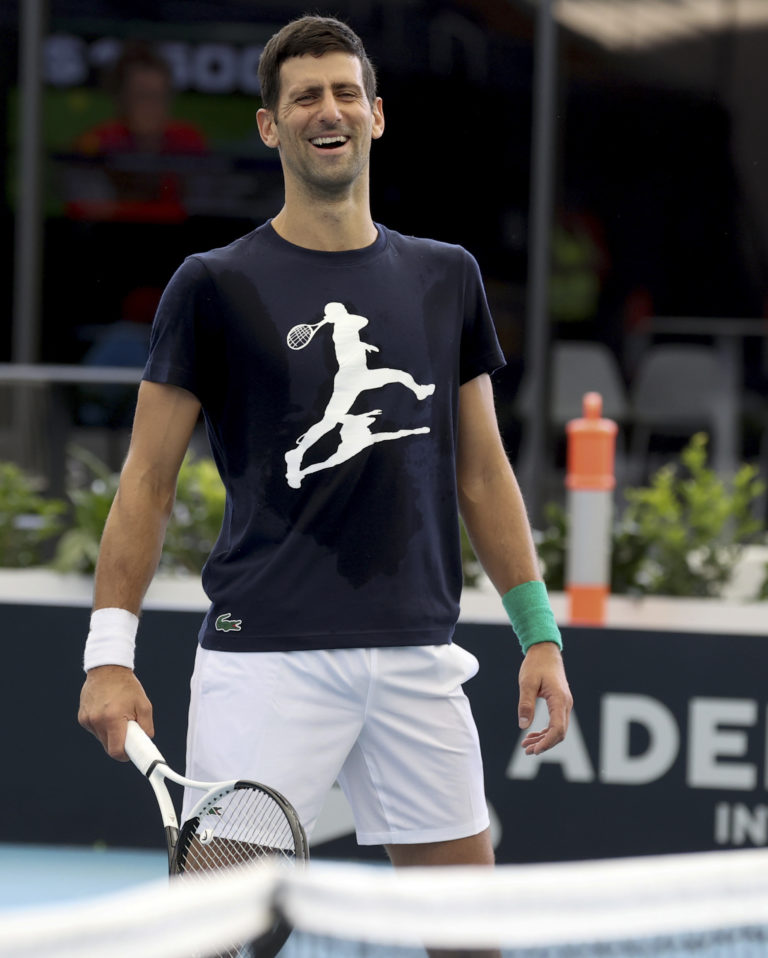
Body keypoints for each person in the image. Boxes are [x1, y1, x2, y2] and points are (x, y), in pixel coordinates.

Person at [78, 15, 572, 953]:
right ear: (272, 127)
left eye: (346, 92)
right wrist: (110, 652)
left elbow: (481, 472)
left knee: (472, 943)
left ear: (377, 116)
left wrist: (537, 635)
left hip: (419, 659)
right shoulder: (211, 285)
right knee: (216, 942)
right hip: (265, 661)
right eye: (304, 96)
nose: (327, 110)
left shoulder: (446, 277)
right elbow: (145, 481)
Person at [69, 42, 207, 222]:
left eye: (159, 96)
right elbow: (88, 212)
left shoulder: (188, 142)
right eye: (142, 96)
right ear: (121, 99)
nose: (152, 106)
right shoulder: (96, 144)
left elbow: (207, 212)